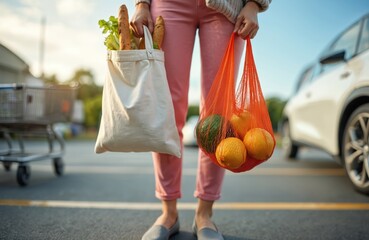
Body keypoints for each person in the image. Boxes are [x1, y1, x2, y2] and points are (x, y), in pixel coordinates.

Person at [130, 0, 271, 239]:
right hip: (169, 4)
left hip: (226, 6)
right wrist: (141, 3)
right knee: (168, 112)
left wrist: (255, 4)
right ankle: (168, 213)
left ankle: (204, 214)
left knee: (219, 118)